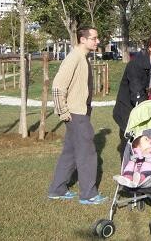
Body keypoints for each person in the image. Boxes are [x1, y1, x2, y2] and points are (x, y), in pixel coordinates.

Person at [47, 27, 107, 205]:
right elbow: (57, 87)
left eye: (97, 38)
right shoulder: (74, 58)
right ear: (82, 39)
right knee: (87, 153)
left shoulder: (82, 58)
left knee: (71, 152)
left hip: (79, 112)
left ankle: (57, 189)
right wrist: (62, 112)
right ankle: (88, 194)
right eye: (94, 38)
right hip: (76, 114)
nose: (97, 41)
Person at [113, 34, 151, 156]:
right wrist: (150, 108)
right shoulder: (135, 65)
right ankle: (128, 171)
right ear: (150, 48)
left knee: (150, 142)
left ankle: (148, 169)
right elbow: (137, 92)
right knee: (132, 144)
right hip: (128, 108)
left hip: (148, 104)